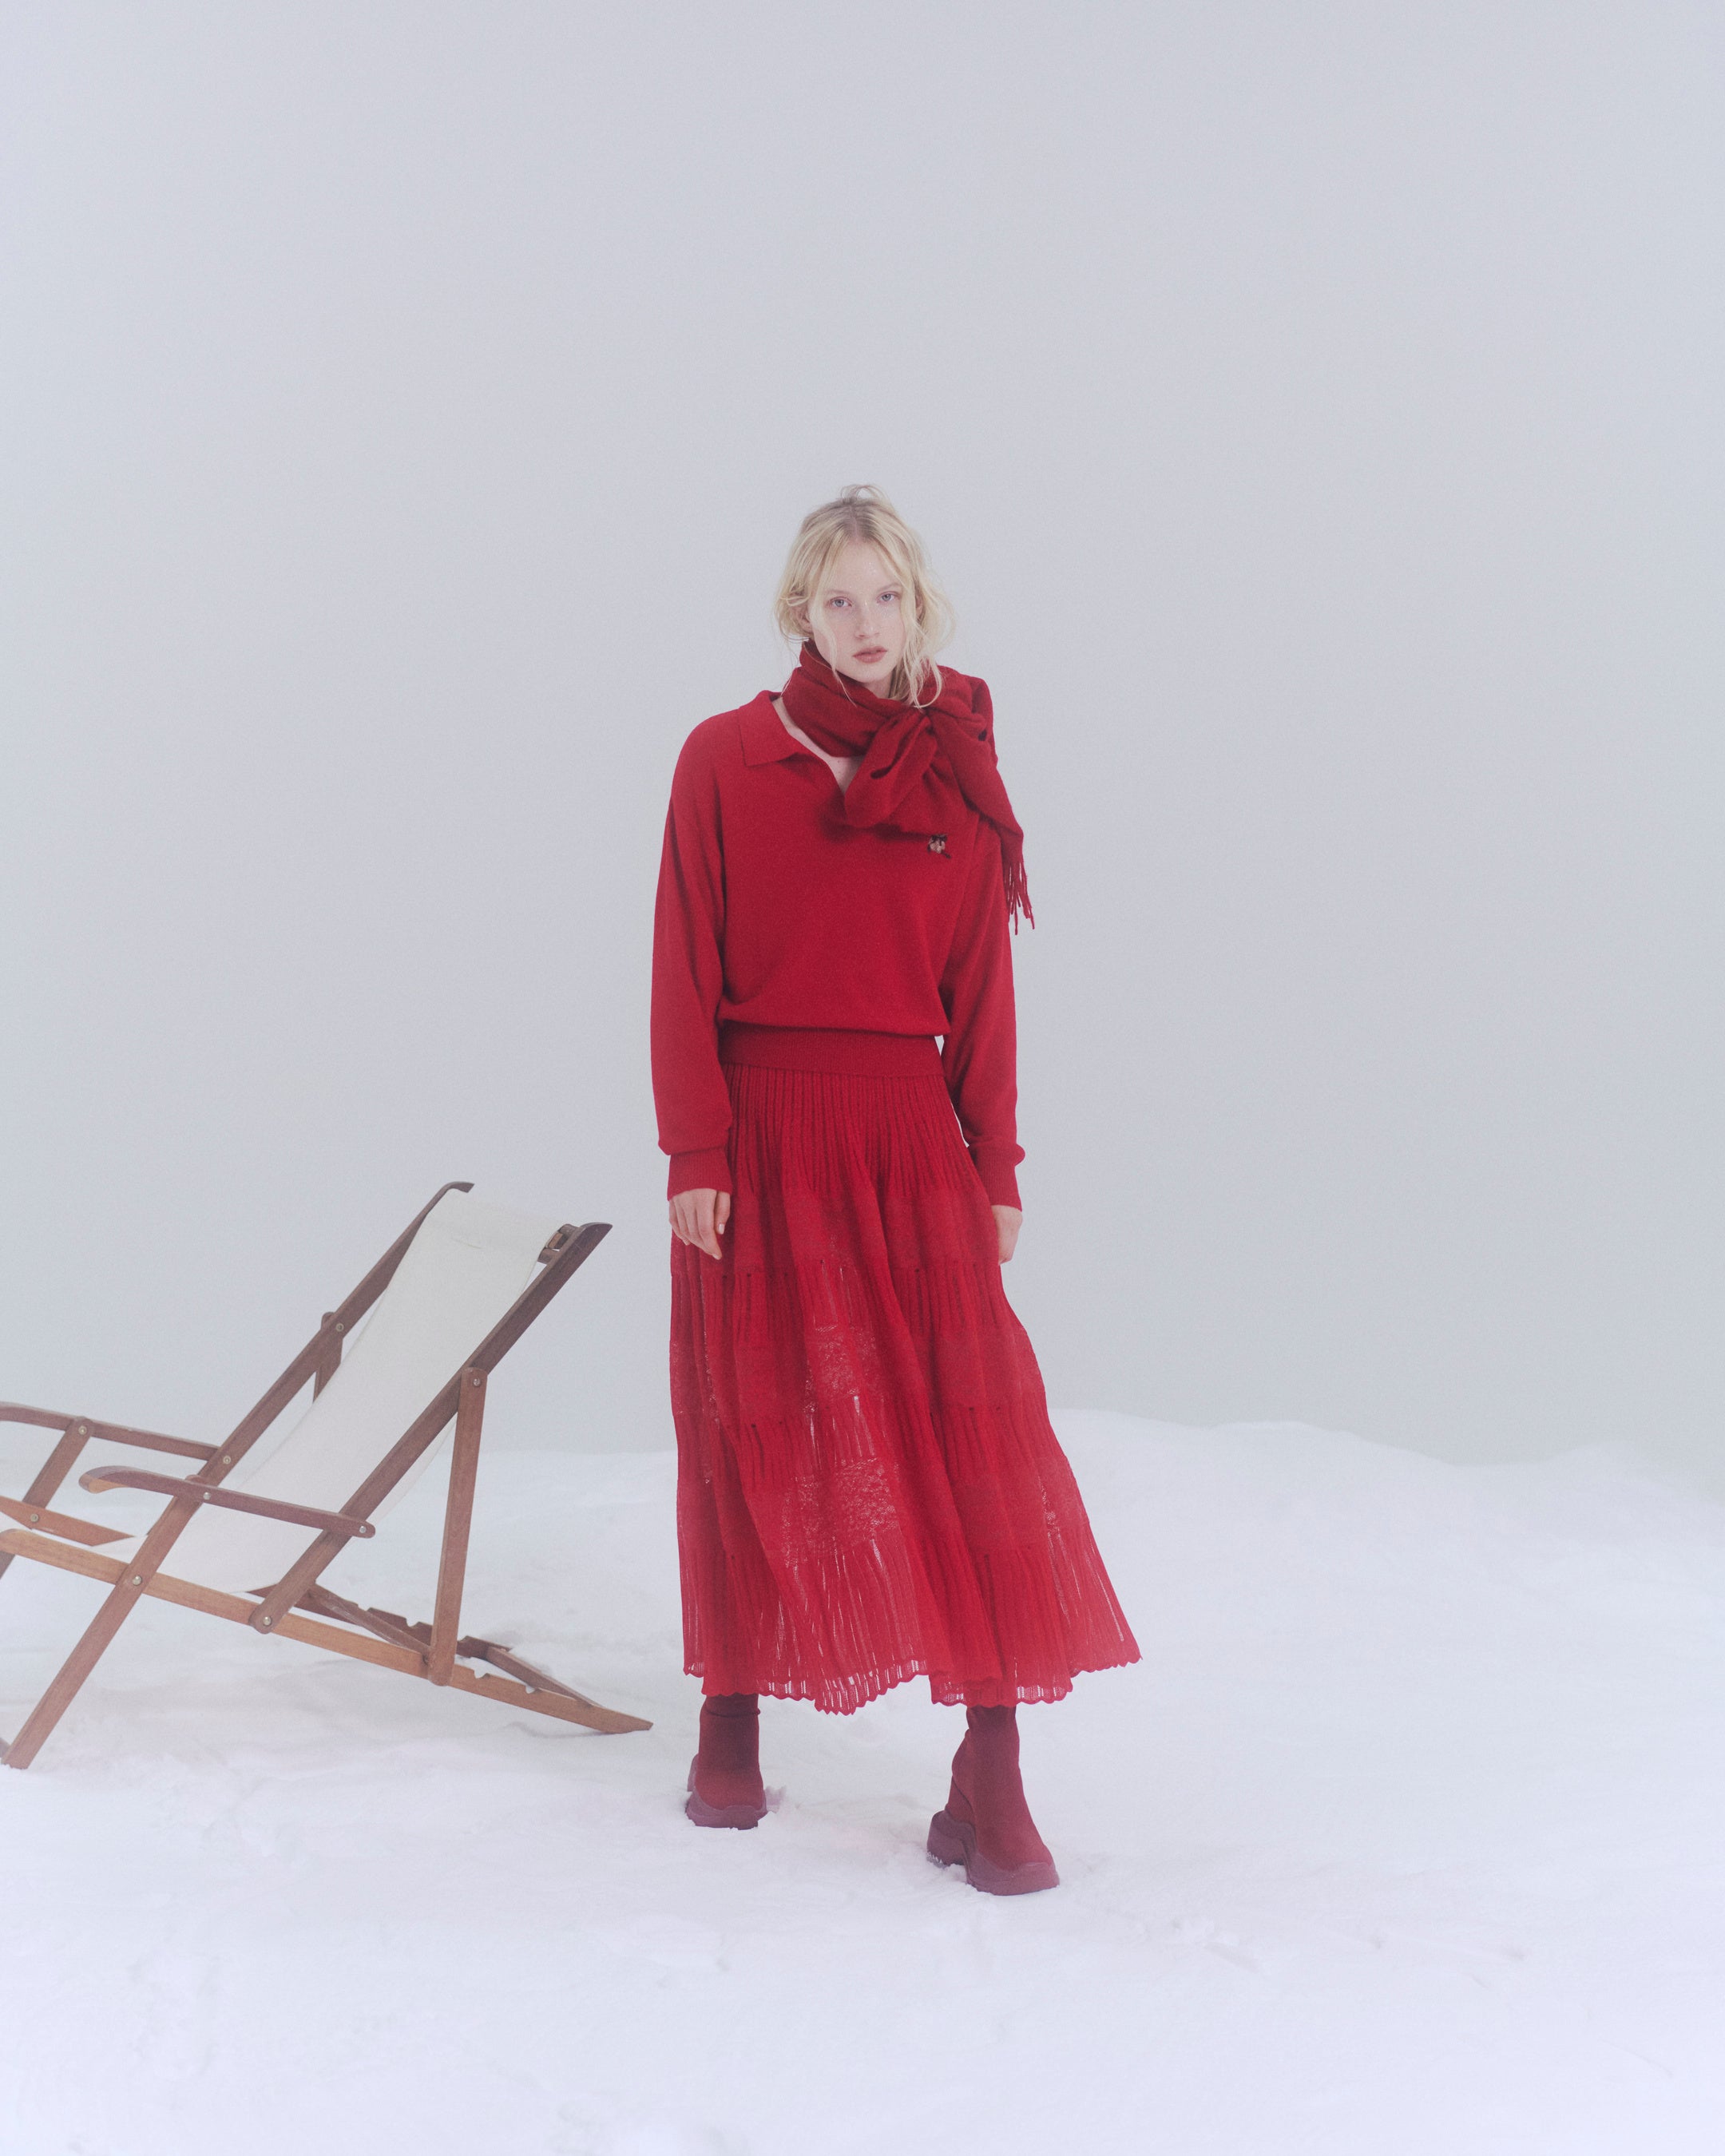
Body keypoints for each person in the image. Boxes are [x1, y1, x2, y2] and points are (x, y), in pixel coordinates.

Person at [650, 485, 1139, 1895]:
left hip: (910, 1135)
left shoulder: (958, 773)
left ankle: (993, 1772)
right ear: (799, 613)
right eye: (839, 599)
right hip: (761, 1128)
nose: (867, 624)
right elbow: (683, 958)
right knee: (750, 1419)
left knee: (969, 1442)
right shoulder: (726, 758)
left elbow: (982, 990)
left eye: (889, 598)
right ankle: (730, 1724)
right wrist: (696, 1150)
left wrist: (997, 1164)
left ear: (920, 609)